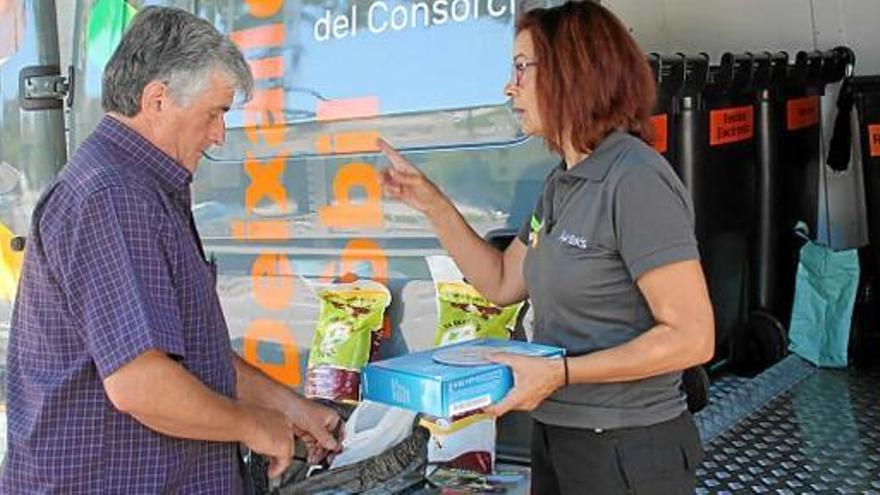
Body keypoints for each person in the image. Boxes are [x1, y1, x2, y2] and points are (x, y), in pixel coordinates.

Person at [1, 7, 341, 493]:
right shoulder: (113, 196)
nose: (220, 133)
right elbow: (142, 384)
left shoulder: (136, 186)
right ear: (157, 100)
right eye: (215, 112)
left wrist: (290, 408)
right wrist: (252, 425)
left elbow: (192, 356)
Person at [378, 2, 714, 493]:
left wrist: (560, 373)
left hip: (628, 447)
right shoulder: (561, 184)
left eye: (521, 68)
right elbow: (501, 283)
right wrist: (433, 204)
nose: (508, 87)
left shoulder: (634, 178)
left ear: (571, 72)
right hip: (561, 435)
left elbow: (693, 337)